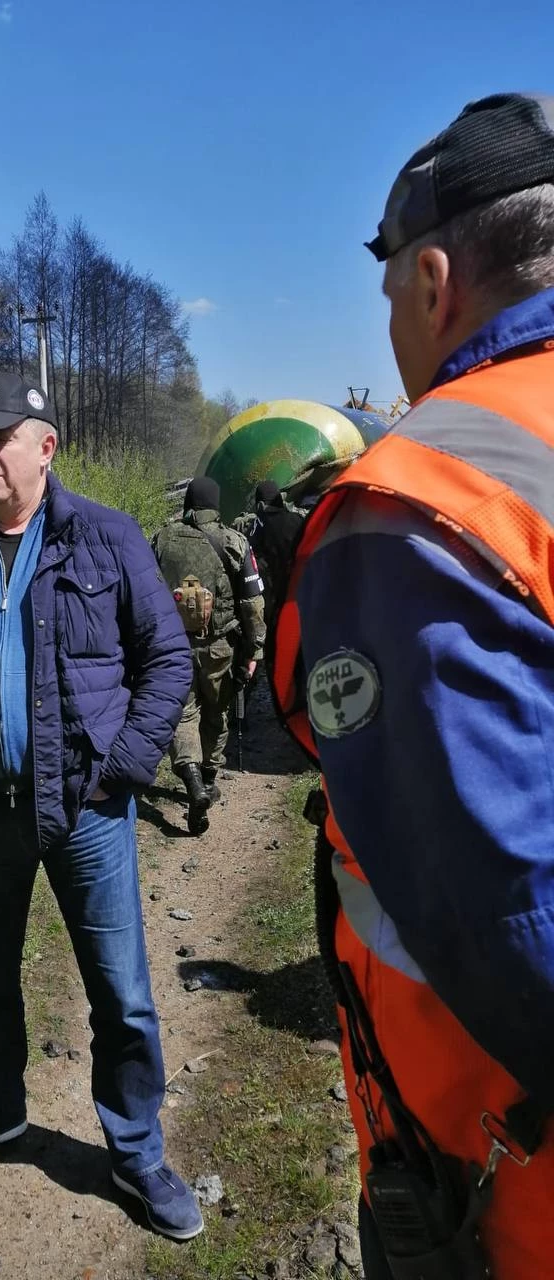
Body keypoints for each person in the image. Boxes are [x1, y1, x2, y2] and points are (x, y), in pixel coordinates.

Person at [272, 93, 554, 1279]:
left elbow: (520, 925)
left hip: (504, 1193)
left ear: (433, 277)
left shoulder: (417, 510)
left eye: (389, 288)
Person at [0, 372, 203, 1241]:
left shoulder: (104, 536)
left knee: (121, 993)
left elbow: (166, 659)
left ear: (45, 446)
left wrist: (123, 765)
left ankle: (136, 1153)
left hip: (86, 812)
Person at [152, 477, 264, 832]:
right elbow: (252, 604)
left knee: (183, 715)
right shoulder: (234, 542)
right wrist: (254, 649)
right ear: (216, 505)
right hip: (220, 646)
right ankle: (209, 778)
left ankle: (190, 779)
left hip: (172, 645)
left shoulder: (160, 539)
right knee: (216, 712)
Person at [233, 480, 305, 625]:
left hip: (277, 602)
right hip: (305, 592)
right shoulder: (297, 520)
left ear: (260, 505)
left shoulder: (255, 528)